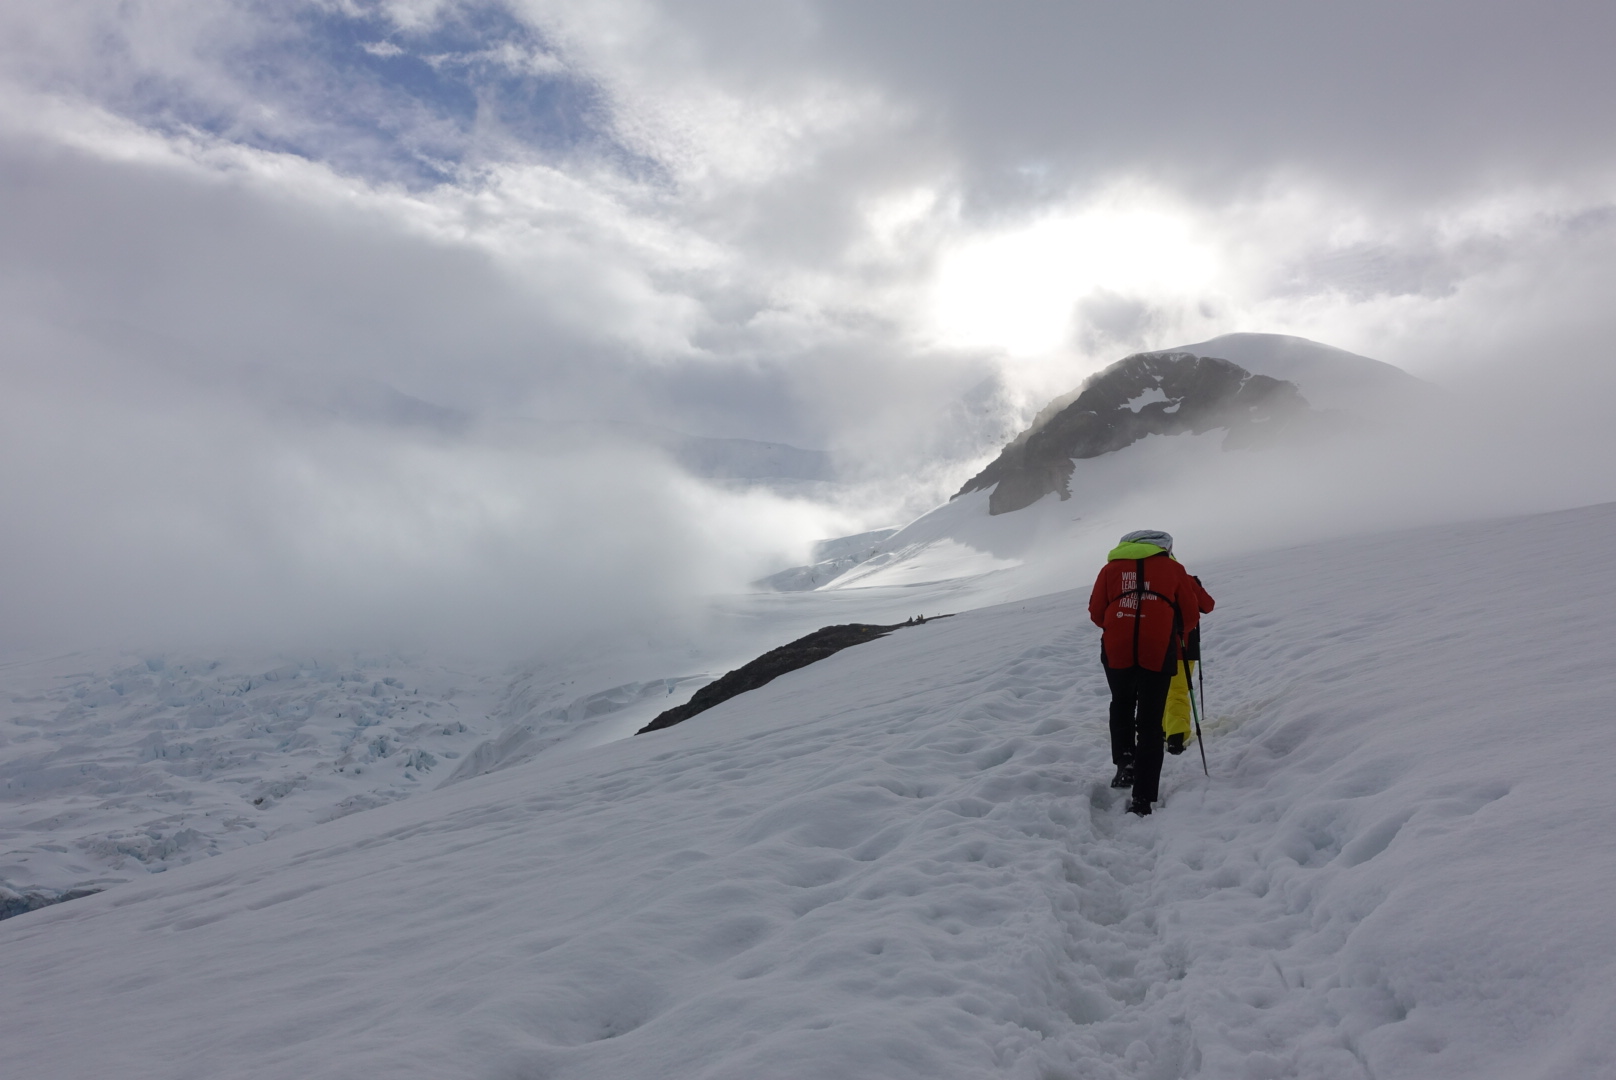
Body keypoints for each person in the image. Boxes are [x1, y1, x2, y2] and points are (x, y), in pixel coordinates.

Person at [1088, 529, 1214, 816]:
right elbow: (1191, 615)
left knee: (1120, 705)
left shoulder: (1109, 570)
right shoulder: (1173, 569)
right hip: (1158, 649)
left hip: (1117, 649)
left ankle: (1125, 764)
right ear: (1163, 547)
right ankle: (1143, 799)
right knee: (1150, 721)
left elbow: (1096, 613)